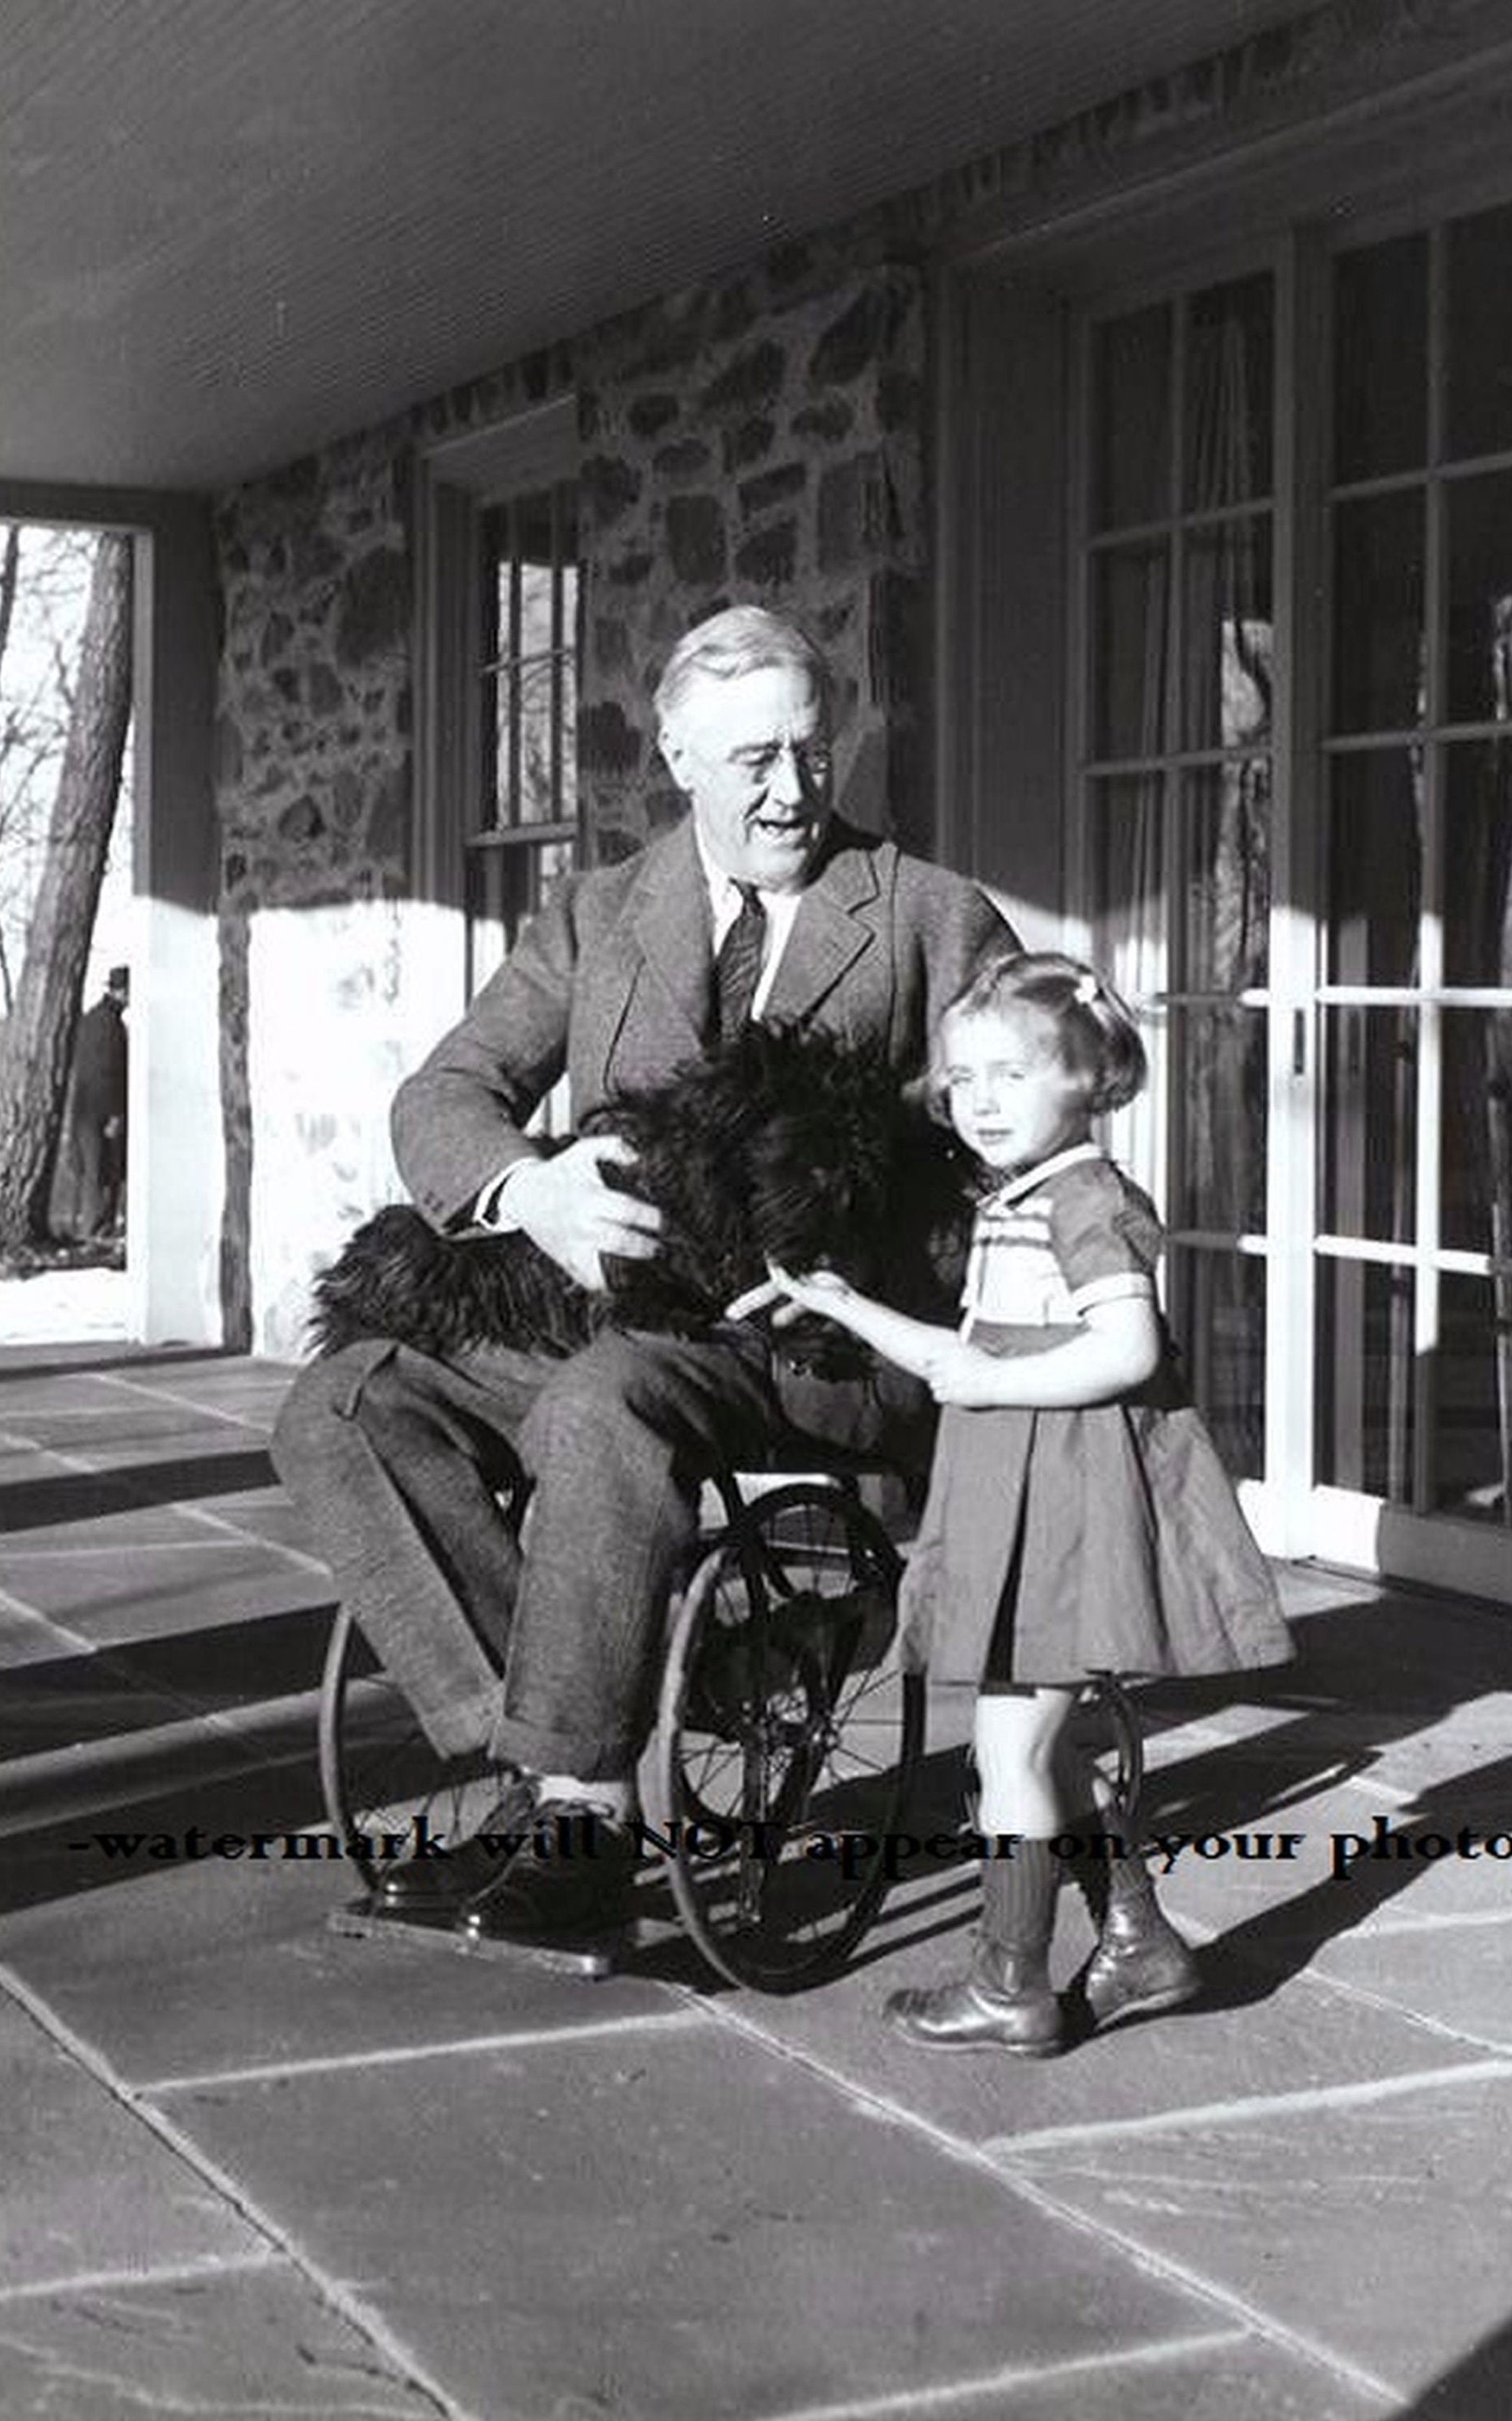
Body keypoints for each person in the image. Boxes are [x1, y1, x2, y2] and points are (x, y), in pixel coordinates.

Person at [272, 604, 1014, 1954]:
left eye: (808, 751)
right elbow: (447, 1089)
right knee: (343, 1401)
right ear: (675, 753)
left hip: (807, 1344)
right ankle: (559, 1740)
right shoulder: (601, 910)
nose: (789, 791)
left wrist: (881, 1279)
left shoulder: (928, 918)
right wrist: (527, 1192)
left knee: (605, 1403)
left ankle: (579, 1821)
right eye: (750, 762)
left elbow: (1013, 1159)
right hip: (611, 1312)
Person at [766, 951, 1293, 2056]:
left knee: (1005, 1753)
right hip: (1018, 1498)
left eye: (1011, 1075)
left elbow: (1125, 1346)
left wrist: (995, 1382)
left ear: (1088, 1079)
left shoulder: (1087, 1199)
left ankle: (1011, 1984)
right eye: (961, 1080)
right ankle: (1137, 1942)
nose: (980, 1100)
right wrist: (842, 1304)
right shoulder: (1020, 1199)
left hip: (1063, 1510)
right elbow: (963, 1353)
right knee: (1040, 1749)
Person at [66, 966, 129, 1238]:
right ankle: (94, 1234)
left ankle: (87, 1230)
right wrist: (116, 1113)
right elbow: (109, 1071)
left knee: (91, 1175)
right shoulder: (110, 1024)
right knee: (104, 1175)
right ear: (121, 991)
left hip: (84, 1109)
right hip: (101, 1112)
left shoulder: (91, 1019)